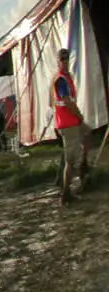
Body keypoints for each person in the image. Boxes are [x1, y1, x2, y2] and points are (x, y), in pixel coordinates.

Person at [51, 48, 88, 206]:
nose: (65, 62)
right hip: (68, 123)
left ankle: (84, 171)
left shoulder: (65, 78)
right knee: (70, 160)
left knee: (87, 134)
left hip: (70, 121)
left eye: (66, 59)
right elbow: (67, 102)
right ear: (58, 61)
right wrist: (79, 115)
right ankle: (66, 194)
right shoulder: (61, 80)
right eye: (62, 60)